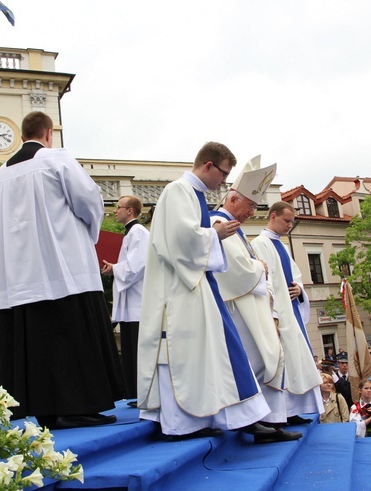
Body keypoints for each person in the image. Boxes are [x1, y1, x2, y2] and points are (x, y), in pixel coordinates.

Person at [136, 142, 291, 443]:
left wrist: (211, 237)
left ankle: (218, 418)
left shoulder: (194, 195)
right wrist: (214, 234)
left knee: (212, 352)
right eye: (223, 174)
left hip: (196, 284)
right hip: (180, 289)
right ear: (208, 166)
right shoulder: (177, 191)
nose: (223, 181)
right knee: (188, 353)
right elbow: (176, 241)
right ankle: (186, 422)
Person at [0, 111, 126, 429]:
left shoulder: (0, 175)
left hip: (20, 275)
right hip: (63, 265)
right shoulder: (56, 159)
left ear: (23, 135)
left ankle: (42, 409)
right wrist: (87, 235)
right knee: (70, 334)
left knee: (33, 339)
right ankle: (78, 406)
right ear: (48, 133)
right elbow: (89, 199)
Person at [210, 189, 318, 434]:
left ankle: (275, 418)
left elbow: (287, 275)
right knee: (263, 361)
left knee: (271, 361)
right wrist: (259, 268)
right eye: (248, 206)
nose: (251, 212)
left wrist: (298, 288)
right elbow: (237, 268)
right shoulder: (219, 223)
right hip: (242, 309)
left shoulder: (237, 230)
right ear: (233, 199)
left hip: (259, 305)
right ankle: (266, 420)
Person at [101, 195, 149, 401]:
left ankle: (141, 393)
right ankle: (135, 393)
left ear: (130, 211)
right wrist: (115, 269)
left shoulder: (138, 232)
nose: (115, 211)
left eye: (118, 207)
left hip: (138, 303)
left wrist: (115, 268)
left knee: (137, 350)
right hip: (131, 302)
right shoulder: (130, 234)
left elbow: (137, 265)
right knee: (130, 351)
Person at [251, 202, 312, 353]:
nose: (290, 225)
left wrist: (299, 288)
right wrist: (274, 314)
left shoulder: (282, 245)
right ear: (273, 216)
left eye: (292, 222)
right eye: (286, 221)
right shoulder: (260, 243)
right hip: (279, 310)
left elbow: (295, 274)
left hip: (292, 307)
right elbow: (266, 281)